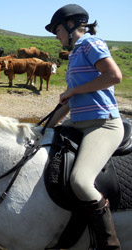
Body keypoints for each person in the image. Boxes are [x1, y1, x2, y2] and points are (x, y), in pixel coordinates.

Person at [45, 4, 124, 250]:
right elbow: (69, 101)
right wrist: (45, 128)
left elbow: (114, 76)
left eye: (56, 30)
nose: (56, 35)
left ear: (70, 25)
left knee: (80, 181)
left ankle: (109, 244)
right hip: (77, 123)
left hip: (103, 125)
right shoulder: (75, 54)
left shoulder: (91, 44)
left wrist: (73, 90)